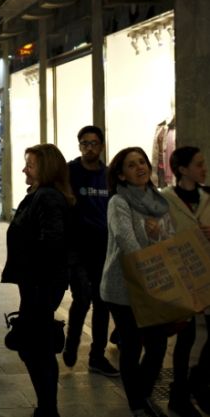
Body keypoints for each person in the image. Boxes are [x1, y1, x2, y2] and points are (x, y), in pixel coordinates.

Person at [101, 147, 174, 417]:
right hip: (122, 287)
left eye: (142, 162)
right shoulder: (118, 202)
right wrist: (148, 240)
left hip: (152, 284)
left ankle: (141, 393)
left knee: (157, 345)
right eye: (132, 165)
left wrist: (157, 236)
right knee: (132, 345)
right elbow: (125, 239)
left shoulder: (158, 200)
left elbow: (168, 238)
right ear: (121, 174)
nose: (140, 167)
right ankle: (136, 405)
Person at [3, 144, 74, 417]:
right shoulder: (40, 195)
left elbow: (52, 243)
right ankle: (47, 406)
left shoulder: (47, 198)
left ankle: (48, 408)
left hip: (40, 284)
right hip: (36, 283)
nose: (24, 169)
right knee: (35, 345)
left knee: (36, 347)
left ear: (45, 169)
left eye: (29, 165)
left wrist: (33, 272)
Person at [63, 126, 119, 376]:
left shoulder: (108, 176)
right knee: (82, 298)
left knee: (102, 302)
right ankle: (72, 342)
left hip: (103, 249)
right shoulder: (69, 172)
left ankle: (97, 356)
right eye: (84, 143)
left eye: (94, 143)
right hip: (76, 249)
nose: (89, 148)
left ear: (102, 146)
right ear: (79, 146)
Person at [161, 146, 210, 416]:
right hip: (181, 277)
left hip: (207, 275)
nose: (204, 168)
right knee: (185, 338)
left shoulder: (207, 196)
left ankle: (197, 382)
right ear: (182, 170)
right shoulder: (166, 200)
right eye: (199, 164)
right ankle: (179, 394)